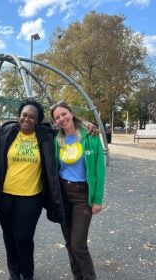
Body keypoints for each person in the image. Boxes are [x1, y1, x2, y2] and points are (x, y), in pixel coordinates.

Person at [0, 99, 64, 280]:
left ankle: (27, 273)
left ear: (37, 121)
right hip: (5, 195)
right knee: (8, 235)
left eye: (31, 117)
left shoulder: (46, 135)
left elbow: (70, 128)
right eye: (24, 115)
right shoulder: (7, 131)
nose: (26, 119)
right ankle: (14, 272)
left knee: (23, 237)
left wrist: (86, 125)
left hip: (31, 196)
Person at [50, 101, 105, 280]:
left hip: (82, 194)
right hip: (64, 193)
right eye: (57, 117)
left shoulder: (90, 136)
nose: (61, 119)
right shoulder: (57, 140)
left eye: (64, 114)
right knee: (69, 243)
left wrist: (97, 199)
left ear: (71, 113)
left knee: (78, 244)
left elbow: (99, 169)